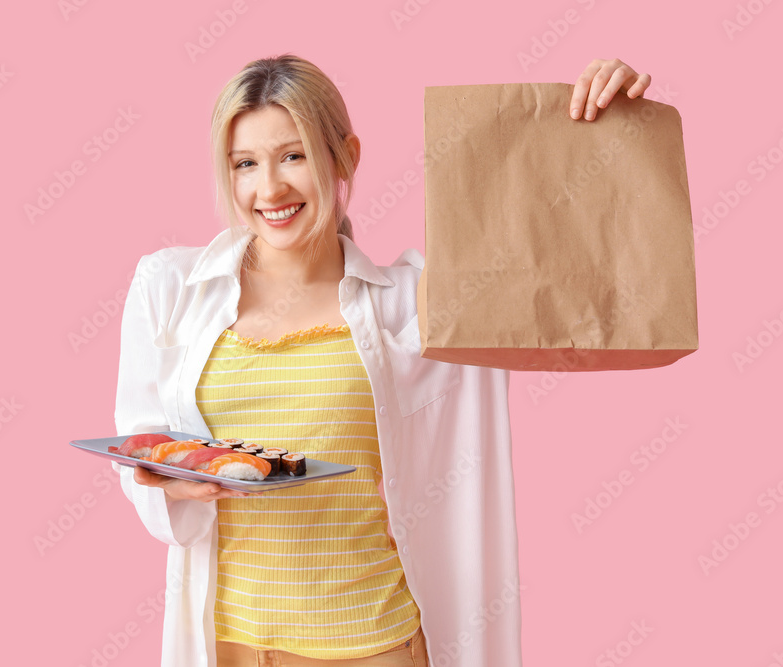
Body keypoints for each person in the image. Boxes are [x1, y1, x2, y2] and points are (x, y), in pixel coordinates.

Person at [112, 54, 651, 667]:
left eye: (294, 156)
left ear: (346, 157)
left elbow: (573, 295)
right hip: (224, 644)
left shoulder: (413, 306)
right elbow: (142, 445)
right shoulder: (170, 288)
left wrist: (596, 132)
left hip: (370, 646)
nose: (270, 189)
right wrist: (173, 485)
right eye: (245, 164)